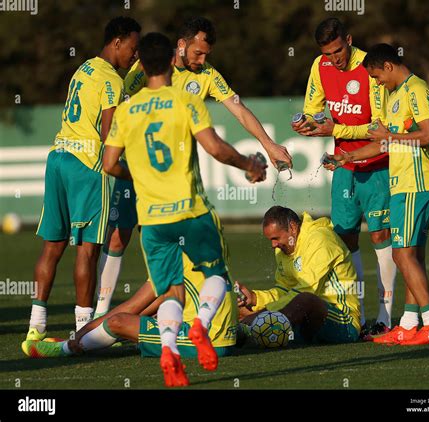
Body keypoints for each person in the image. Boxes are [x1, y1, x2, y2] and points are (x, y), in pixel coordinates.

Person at [94, 16, 292, 319]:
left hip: (174, 181)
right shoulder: (148, 68)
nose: (202, 60)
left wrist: (268, 144)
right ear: (181, 46)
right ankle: (103, 314)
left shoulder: (208, 75)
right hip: (142, 170)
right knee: (120, 236)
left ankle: (119, 324)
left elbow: (238, 108)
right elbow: (117, 104)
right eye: (198, 53)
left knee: (166, 261)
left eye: (207, 54)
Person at [101, 32, 266, 386]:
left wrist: (137, 175)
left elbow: (109, 162)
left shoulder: (127, 111)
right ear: (171, 64)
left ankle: (168, 349)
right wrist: (248, 164)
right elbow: (216, 149)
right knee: (216, 277)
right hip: (191, 211)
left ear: (142, 65)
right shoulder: (184, 99)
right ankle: (201, 326)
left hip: (154, 220)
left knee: (172, 290)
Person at [26, 17, 141, 341]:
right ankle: (82, 330)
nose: (134, 56)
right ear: (117, 42)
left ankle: (36, 325)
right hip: (85, 166)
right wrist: (135, 173)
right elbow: (108, 137)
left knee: (53, 246)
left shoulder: (84, 69)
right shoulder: (112, 80)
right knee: (88, 250)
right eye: (133, 48)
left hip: (58, 157)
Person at [331, 43, 429, 345]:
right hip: (403, 183)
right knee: (413, 256)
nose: (376, 83)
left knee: (401, 254)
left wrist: (391, 136)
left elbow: (428, 135)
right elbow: (385, 144)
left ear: (388, 67)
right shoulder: (393, 96)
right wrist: (348, 158)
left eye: (377, 77)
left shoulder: (415, 89)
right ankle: (409, 324)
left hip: (416, 182)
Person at [291, 18, 397, 339]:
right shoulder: (320, 66)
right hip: (343, 168)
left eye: (339, 51)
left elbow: (378, 127)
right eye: (328, 53)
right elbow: (314, 108)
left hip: (376, 164)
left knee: (380, 237)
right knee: (345, 240)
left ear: (348, 40)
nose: (334, 58)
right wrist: (307, 123)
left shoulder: (369, 68)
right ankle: (358, 315)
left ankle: (386, 316)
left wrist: (335, 129)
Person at [21, 253, 238, 360]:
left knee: (118, 323)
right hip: (223, 335)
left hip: (207, 341)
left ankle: (66, 350)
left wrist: (78, 336)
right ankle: (81, 341)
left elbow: (129, 310)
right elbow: (151, 306)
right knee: (150, 314)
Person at [238, 206, 360, 345]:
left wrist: (261, 314)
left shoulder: (320, 239)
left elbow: (306, 290)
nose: (273, 245)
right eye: (270, 240)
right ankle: (245, 331)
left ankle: (253, 328)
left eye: (276, 238)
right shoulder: (283, 249)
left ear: (293, 227)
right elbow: (284, 291)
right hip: (304, 319)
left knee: (306, 300)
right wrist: (254, 298)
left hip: (343, 323)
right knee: (238, 307)